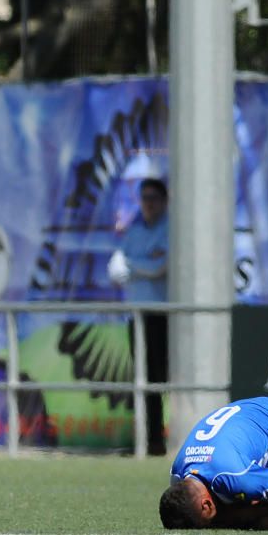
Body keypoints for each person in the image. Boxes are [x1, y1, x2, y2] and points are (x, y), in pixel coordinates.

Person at [109, 178, 169, 455]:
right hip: (138, 316)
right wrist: (143, 263)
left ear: (164, 200)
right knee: (143, 378)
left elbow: (160, 267)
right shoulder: (135, 230)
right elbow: (116, 268)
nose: (148, 202)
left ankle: (163, 439)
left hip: (162, 314)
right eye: (144, 197)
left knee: (160, 378)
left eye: (154, 197)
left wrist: (133, 265)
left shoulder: (169, 227)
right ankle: (147, 441)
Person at [160, 397, 268, 529]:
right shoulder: (177, 474)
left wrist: (243, 515)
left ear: (206, 505)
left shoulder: (235, 475)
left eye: (209, 524)